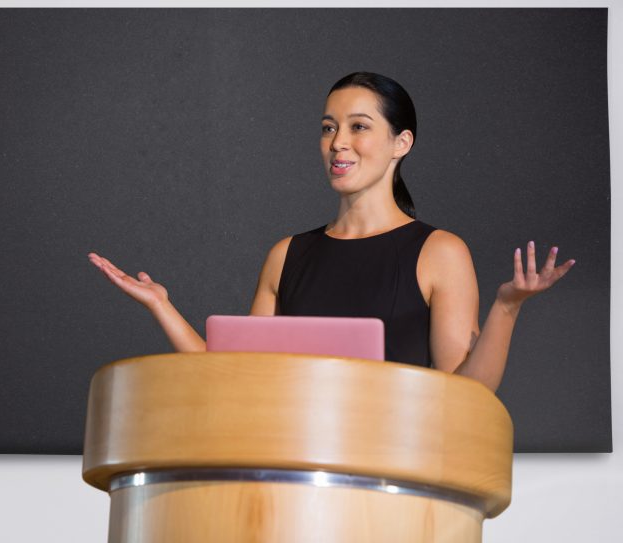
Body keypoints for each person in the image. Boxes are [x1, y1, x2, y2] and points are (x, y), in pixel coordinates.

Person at [87, 72, 574, 393]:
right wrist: (161, 305)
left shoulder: (439, 252)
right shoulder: (287, 254)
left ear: (400, 142)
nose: (338, 142)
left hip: (390, 476)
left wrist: (507, 308)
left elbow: (464, 393)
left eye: (358, 126)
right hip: (293, 473)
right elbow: (234, 377)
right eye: (327, 127)